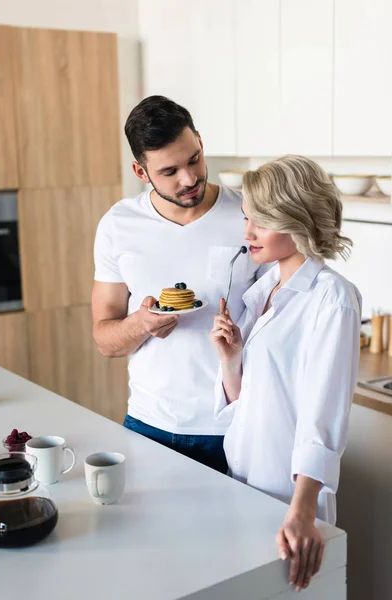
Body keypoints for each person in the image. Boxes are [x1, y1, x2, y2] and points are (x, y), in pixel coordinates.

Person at [92, 95, 267, 473]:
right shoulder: (118, 225)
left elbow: (279, 317)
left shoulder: (249, 215)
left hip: (232, 425)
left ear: (200, 142)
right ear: (141, 173)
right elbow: (104, 340)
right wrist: (140, 324)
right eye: (169, 172)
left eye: (194, 160)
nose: (189, 179)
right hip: (147, 424)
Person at [210, 155, 361, 590]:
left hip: (288, 502)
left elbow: (324, 416)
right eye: (246, 218)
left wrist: (301, 512)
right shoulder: (264, 289)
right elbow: (248, 401)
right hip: (244, 484)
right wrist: (231, 359)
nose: (247, 232)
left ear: (295, 218)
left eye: (260, 220)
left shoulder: (332, 298)